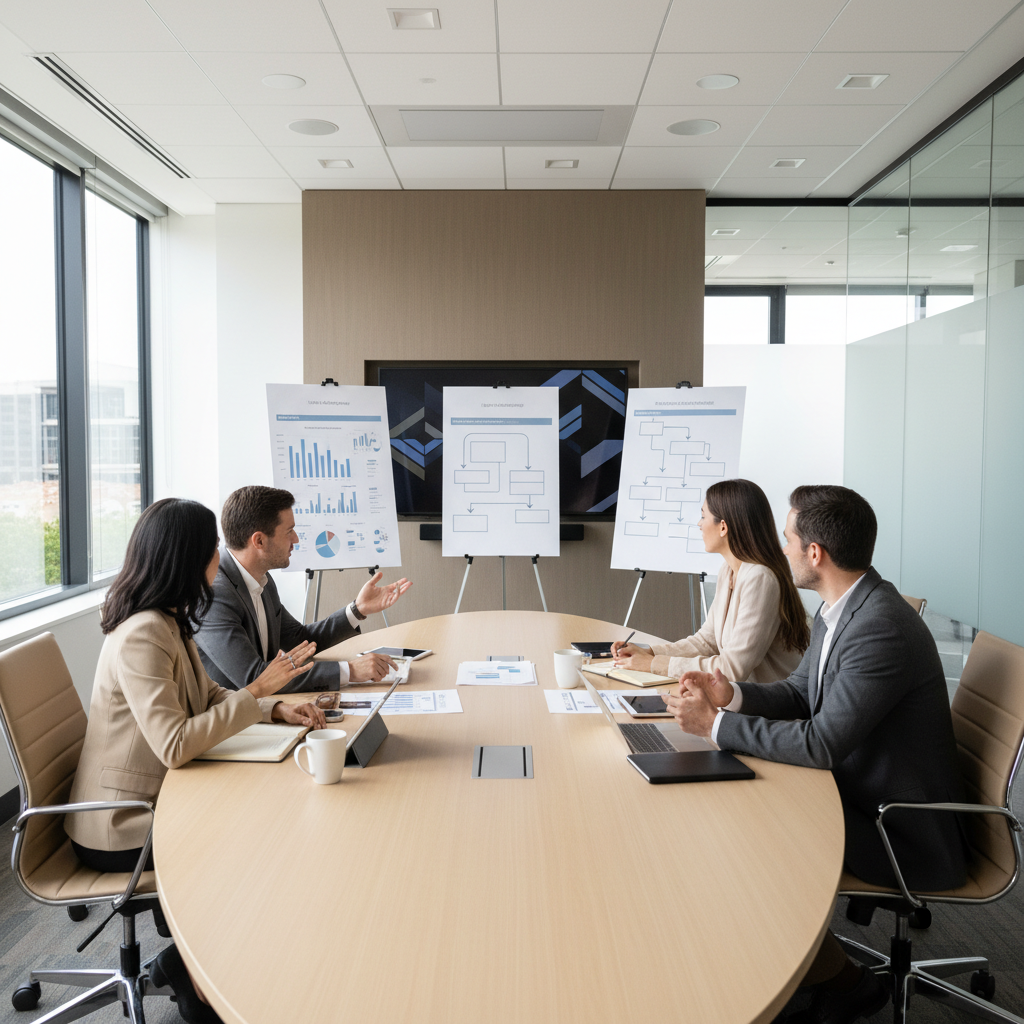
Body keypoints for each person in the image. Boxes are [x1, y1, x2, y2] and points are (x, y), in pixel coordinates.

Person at [666, 485, 967, 1024]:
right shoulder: (842, 607)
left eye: (787, 539)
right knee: (740, 813)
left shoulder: (880, 627)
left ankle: (837, 982)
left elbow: (822, 741)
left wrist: (717, 728)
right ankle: (808, 972)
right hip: (859, 794)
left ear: (815, 554)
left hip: (900, 829)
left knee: (751, 834)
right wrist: (728, 695)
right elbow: (798, 695)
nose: (780, 550)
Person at [65, 498, 327, 1024]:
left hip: (152, 798)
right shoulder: (143, 633)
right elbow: (176, 744)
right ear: (186, 556)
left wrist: (274, 706)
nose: (217, 554)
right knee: (257, 842)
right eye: (209, 545)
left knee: (262, 828)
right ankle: (197, 970)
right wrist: (257, 694)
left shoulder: (168, 620)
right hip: (121, 822)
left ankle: (193, 962)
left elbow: (207, 697)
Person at [195, 486, 412, 692]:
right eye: (289, 531)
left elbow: (300, 640)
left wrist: (358, 610)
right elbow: (255, 678)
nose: (296, 539)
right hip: (237, 723)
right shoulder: (214, 594)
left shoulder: (261, 578)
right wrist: (350, 671)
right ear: (259, 541)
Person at [611, 478, 809, 684]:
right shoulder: (729, 571)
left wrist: (655, 664)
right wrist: (650, 653)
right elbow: (707, 641)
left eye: (703, 516)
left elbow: (731, 669)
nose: (699, 524)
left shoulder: (760, 579)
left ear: (723, 527)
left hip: (767, 709)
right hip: (741, 700)